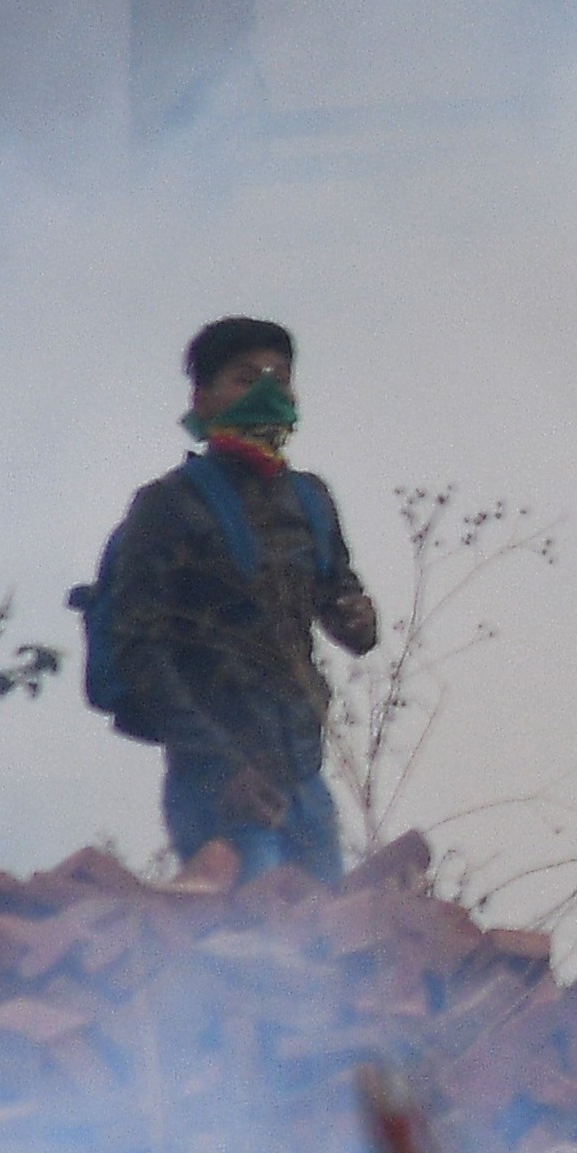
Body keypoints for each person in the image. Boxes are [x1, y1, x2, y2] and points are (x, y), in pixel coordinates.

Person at [89, 317, 380, 881]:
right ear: (204, 398)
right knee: (246, 946)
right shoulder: (167, 507)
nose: (270, 393)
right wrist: (223, 768)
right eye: (247, 379)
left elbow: (344, 606)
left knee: (327, 938)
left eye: (281, 378)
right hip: (217, 784)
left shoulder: (310, 500)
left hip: (302, 773)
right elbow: (139, 649)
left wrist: (357, 616)